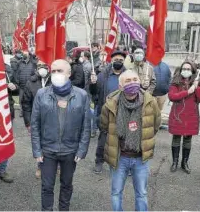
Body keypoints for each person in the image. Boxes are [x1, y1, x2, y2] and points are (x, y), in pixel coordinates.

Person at [31, 59, 91, 211]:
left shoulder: (82, 95)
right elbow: (35, 124)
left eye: (60, 71)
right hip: (48, 150)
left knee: (66, 185)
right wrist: (37, 150)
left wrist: (81, 149)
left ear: (69, 74)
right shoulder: (41, 94)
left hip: (70, 150)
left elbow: (86, 126)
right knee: (47, 186)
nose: (56, 74)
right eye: (53, 71)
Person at [100, 70, 160, 211]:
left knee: (142, 193)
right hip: (119, 157)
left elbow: (154, 126)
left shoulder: (150, 102)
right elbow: (104, 125)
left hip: (141, 158)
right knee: (116, 193)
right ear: (120, 86)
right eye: (128, 81)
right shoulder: (110, 104)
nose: (132, 82)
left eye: (135, 79)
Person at [89, 50, 127, 173]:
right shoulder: (103, 75)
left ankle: (123, 164)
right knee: (103, 139)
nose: (118, 62)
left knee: (123, 140)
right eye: (116, 60)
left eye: (121, 60)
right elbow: (94, 92)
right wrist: (93, 83)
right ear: (111, 61)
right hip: (106, 113)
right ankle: (99, 161)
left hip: (123, 113)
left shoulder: (128, 75)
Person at [168, 61, 200, 174]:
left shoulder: (198, 83)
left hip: (191, 116)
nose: (186, 71)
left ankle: (184, 163)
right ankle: (174, 162)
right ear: (180, 70)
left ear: (193, 71)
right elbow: (172, 96)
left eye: (188, 69)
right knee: (176, 138)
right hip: (177, 115)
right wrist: (187, 91)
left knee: (187, 140)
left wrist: (196, 87)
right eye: (184, 69)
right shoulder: (176, 82)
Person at [22, 62, 52, 179]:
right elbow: (26, 104)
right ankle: (40, 166)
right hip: (37, 120)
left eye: (45, 66)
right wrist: (28, 122)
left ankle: (57, 166)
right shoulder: (31, 82)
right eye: (40, 66)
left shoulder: (55, 81)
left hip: (53, 119)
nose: (42, 68)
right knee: (39, 144)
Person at [16, 50, 38, 117]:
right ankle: (22, 112)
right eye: (24, 54)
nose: (24, 55)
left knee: (30, 99)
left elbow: (35, 74)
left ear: (29, 55)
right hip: (22, 86)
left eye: (26, 54)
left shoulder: (33, 63)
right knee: (21, 100)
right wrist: (17, 82)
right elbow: (17, 74)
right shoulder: (19, 63)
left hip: (30, 86)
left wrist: (32, 80)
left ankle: (31, 112)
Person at [152, 61, 171, 125]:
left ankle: (157, 124)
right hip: (152, 94)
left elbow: (169, 77)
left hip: (163, 93)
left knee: (159, 110)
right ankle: (151, 125)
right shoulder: (149, 65)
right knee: (151, 111)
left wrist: (168, 87)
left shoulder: (166, 66)